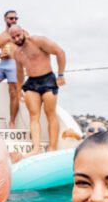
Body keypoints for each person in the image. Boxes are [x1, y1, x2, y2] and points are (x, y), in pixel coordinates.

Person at [9, 25, 66, 153]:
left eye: (18, 35)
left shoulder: (38, 41)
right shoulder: (17, 53)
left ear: (23, 32)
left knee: (50, 114)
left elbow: (60, 52)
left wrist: (61, 75)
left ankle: (52, 147)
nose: (17, 39)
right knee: (33, 116)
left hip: (48, 79)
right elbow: (19, 73)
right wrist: (19, 91)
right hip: (31, 83)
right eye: (13, 38)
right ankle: (35, 148)